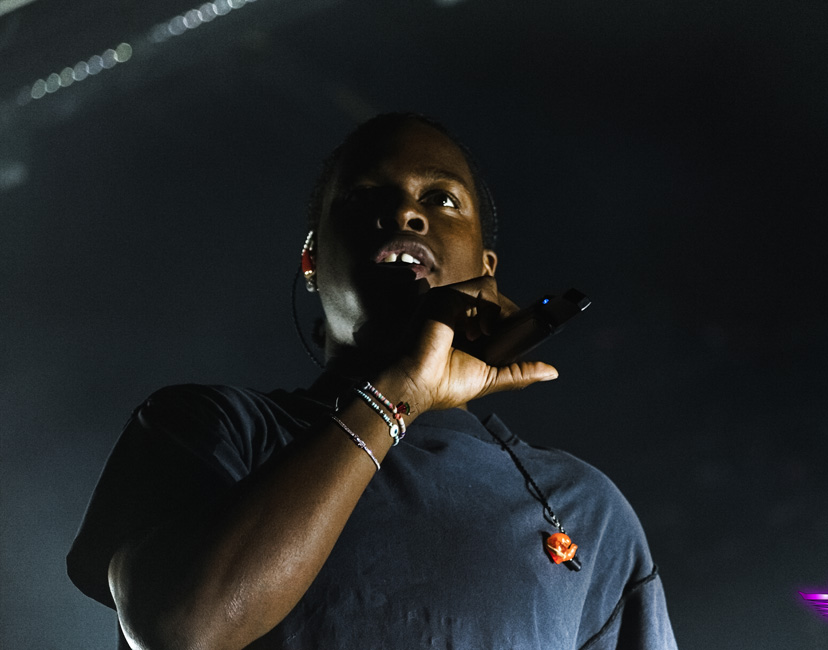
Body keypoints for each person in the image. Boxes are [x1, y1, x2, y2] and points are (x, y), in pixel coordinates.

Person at [67, 113, 678, 649]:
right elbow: (182, 630)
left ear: (486, 268)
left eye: (442, 199)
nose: (406, 212)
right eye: (364, 199)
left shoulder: (584, 508)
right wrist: (399, 392)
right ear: (311, 261)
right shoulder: (210, 428)